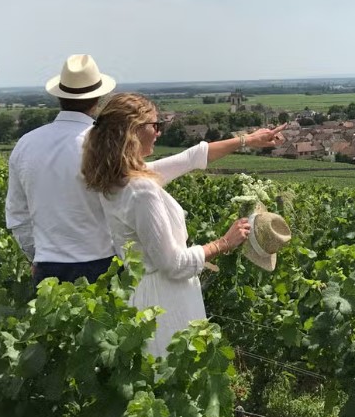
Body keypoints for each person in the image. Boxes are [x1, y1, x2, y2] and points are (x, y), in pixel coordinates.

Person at [81, 92, 284, 357]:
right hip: (165, 300)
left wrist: (248, 139)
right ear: (132, 130)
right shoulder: (141, 189)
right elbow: (173, 264)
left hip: (143, 294)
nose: (159, 132)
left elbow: (191, 158)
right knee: (176, 371)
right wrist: (223, 243)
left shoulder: (118, 178)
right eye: (155, 125)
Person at [6, 54, 118, 286]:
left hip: (47, 265)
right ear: (98, 97)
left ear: (59, 96)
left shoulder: (26, 143)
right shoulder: (105, 144)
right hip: (104, 264)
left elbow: (17, 215)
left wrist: (36, 255)